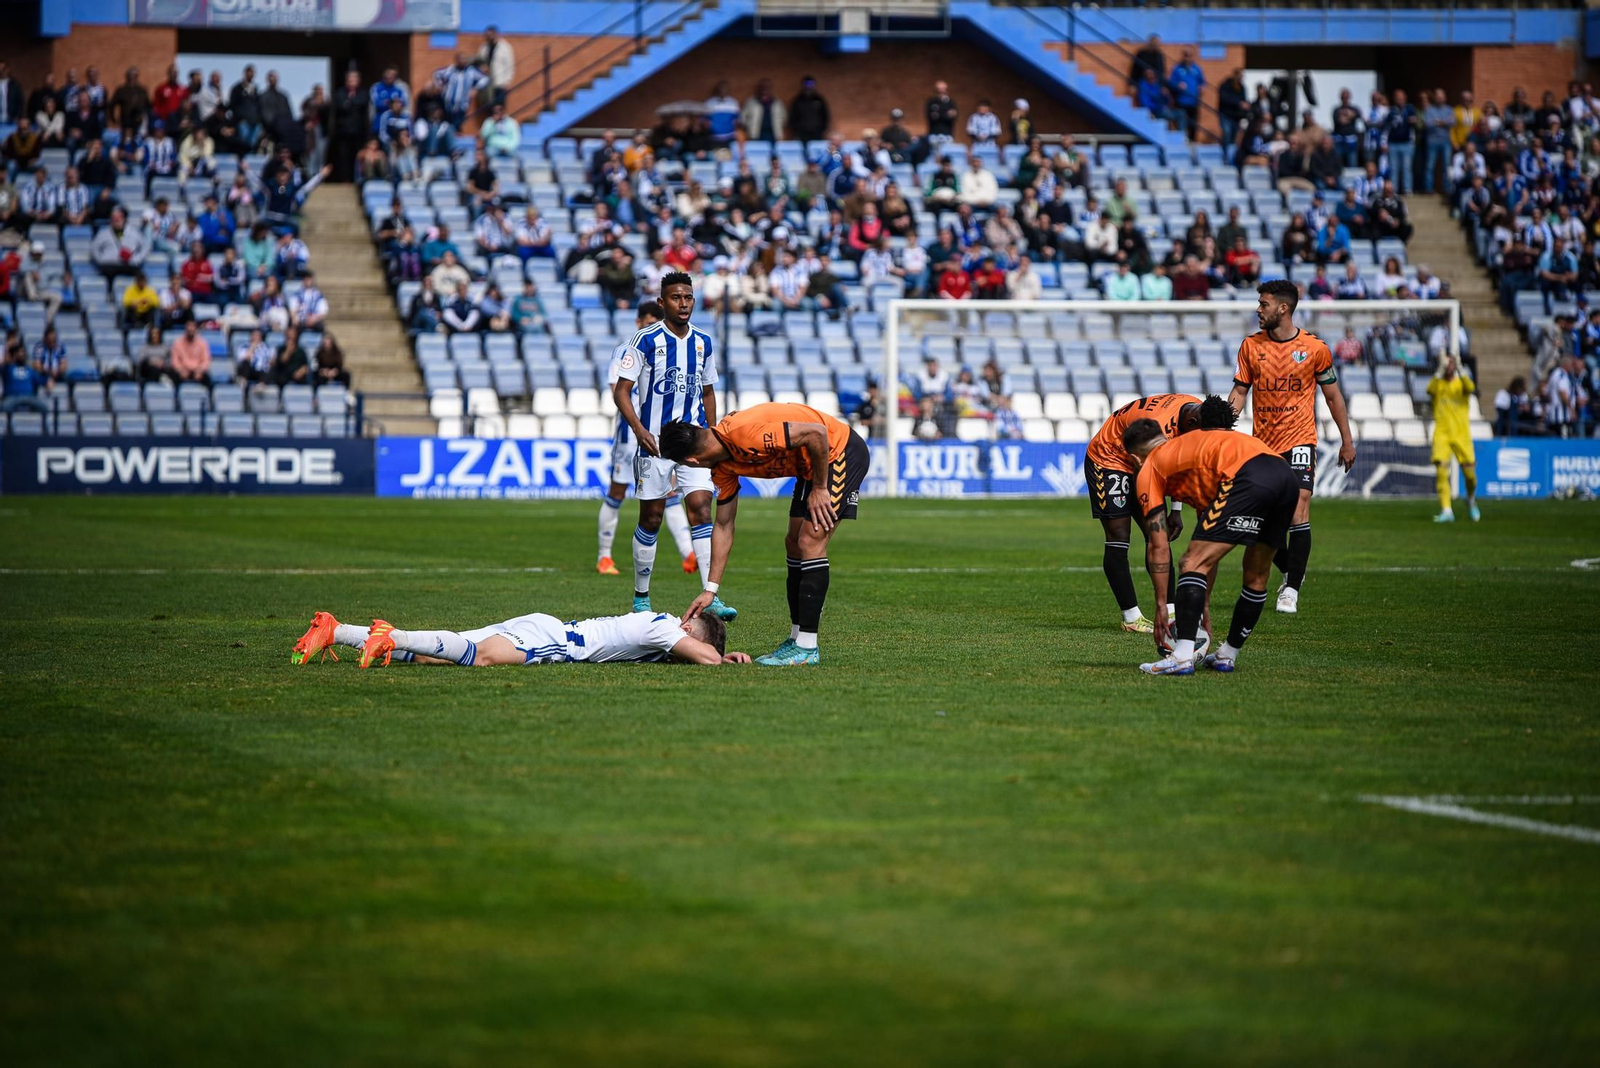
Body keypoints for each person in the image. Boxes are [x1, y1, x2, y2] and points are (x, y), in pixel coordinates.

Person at [661, 400, 872, 666]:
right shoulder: (722, 468)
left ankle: (808, 647)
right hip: (811, 466)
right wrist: (710, 589)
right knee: (793, 544)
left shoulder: (744, 433)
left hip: (839, 451)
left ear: (691, 460)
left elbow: (816, 433)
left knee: (809, 541)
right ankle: (796, 639)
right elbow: (724, 525)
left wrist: (820, 489)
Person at [1123, 397, 1301, 676]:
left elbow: (1159, 546)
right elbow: (1209, 540)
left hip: (1246, 476)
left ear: (1134, 458)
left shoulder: (1150, 466)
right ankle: (1227, 654)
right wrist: (1202, 601)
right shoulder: (1192, 453)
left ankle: (1181, 656)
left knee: (1190, 563)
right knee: (1256, 576)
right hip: (1284, 475)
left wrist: (1161, 605)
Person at [610, 271, 737, 620]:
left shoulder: (704, 342)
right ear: (663, 302)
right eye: (676, 298)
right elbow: (621, 390)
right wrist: (638, 430)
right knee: (651, 518)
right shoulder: (645, 340)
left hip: (694, 443)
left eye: (688, 297)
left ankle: (712, 595)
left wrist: (713, 436)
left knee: (700, 509)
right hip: (655, 443)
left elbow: (708, 391)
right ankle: (641, 598)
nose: (683, 303)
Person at [1226, 280, 1357, 616]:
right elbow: (1240, 392)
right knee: (1260, 521)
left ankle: (1291, 590)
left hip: (1300, 439)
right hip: (1262, 445)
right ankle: (1290, 568)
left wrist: (1347, 439)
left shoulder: (1315, 348)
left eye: (1263, 304)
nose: (1258, 309)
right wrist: (1223, 426)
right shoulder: (1251, 347)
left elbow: (1332, 396)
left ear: (1282, 308)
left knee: (1299, 507)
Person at [290, 605, 748, 669]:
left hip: (543, 626)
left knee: (439, 657)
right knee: (483, 659)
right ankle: (390, 634)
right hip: (555, 642)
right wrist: (723, 660)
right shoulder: (666, 627)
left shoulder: (657, 624)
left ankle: (336, 629)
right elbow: (705, 658)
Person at [1085, 394, 1203, 633]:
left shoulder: (1195, 409)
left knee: (1157, 533)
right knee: (1119, 535)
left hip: (1142, 460)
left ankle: (1170, 612)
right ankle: (1131, 617)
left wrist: (1176, 511)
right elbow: (1157, 468)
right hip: (1110, 458)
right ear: (1191, 424)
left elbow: (1177, 465)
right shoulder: (1159, 426)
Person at [597, 301, 697, 579]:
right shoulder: (626, 351)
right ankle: (604, 556)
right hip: (631, 434)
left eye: (658, 321)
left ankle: (688, 553)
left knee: (671, 494)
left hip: (661, 434)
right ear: (639, 321)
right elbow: (618, 390)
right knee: (617, 493)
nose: (654, 326)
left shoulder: (669, 348)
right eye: (649, 321)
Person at [1428, 353, 1479, 523]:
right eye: (1446, 364)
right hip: (1442, 434)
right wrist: (1440, 369)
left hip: (1461, 435)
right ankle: (1447, 510)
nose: (1449, 366)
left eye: (1451, 364)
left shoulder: (1461, 385)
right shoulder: (1438, 384)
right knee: (1442, 472)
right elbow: (1430, 390)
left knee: (1470, 476)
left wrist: (1460, 368)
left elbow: (1471, 388)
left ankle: (1471, 500)